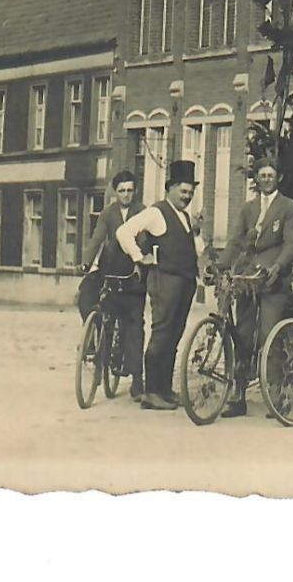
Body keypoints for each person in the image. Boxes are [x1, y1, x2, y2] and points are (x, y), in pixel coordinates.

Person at [215, 159, 293, 417]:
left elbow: (291, 244)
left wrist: (277, 267)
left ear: (279, 178)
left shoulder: (289, 207)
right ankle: (238, 394)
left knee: (269, 335)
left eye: (270, 175)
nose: (266, 179)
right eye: (262, 175)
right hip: (247, 280)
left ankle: (274, 395)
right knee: (241, 334)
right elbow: (235, 242)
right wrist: (222, 266)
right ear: (257, 178)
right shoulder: (248, 208)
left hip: (273, 281)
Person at [115, 161, 201, 411]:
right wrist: (139, 258)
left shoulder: (184, 216)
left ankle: (164, 389)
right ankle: (151, 392)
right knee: (162, 333)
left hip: (185, 281)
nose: (187, 196)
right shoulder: (156, 212)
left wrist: (197, 234)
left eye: (190, 192)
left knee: (174, 335)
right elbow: (124, 232)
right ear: (170, 188)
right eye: (183, 191)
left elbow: (194, 246)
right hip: (165, 280)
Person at [80, 169, 147, 398]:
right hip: (111, 268)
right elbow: (97, 237)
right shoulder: (108, 214)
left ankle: (137, 379)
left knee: (135, 324)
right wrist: (86, 262)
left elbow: (145, 241)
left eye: (130, 190)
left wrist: (141, 262)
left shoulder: (143, 211)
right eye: (122, 191)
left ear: (135, 191)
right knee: (86, 293)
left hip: (134, 272)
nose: (126, 195)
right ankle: (94, 336)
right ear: (115, 192)